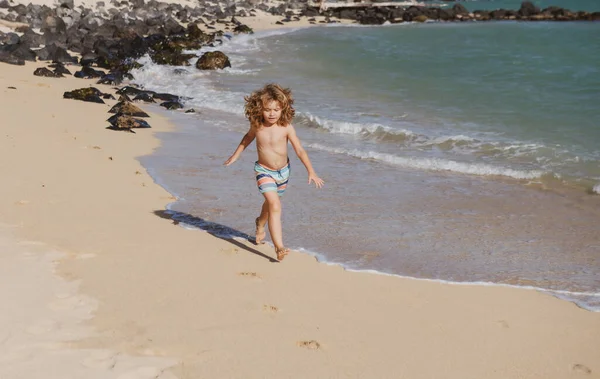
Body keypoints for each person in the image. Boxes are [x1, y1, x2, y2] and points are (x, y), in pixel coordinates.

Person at [224, 84, 324, 261]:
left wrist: (311, 171)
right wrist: (235, 155)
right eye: (268, 110)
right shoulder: (257, 126)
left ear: (283, 108)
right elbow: (247, 138)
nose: (272, 114)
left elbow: (300, 150)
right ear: (259, 108)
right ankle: (279, 247)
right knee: (275, 206)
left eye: (276, 109)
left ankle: (260, 223)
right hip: (264, 171)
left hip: (283, 173)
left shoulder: (286, 127)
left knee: (271, 205)